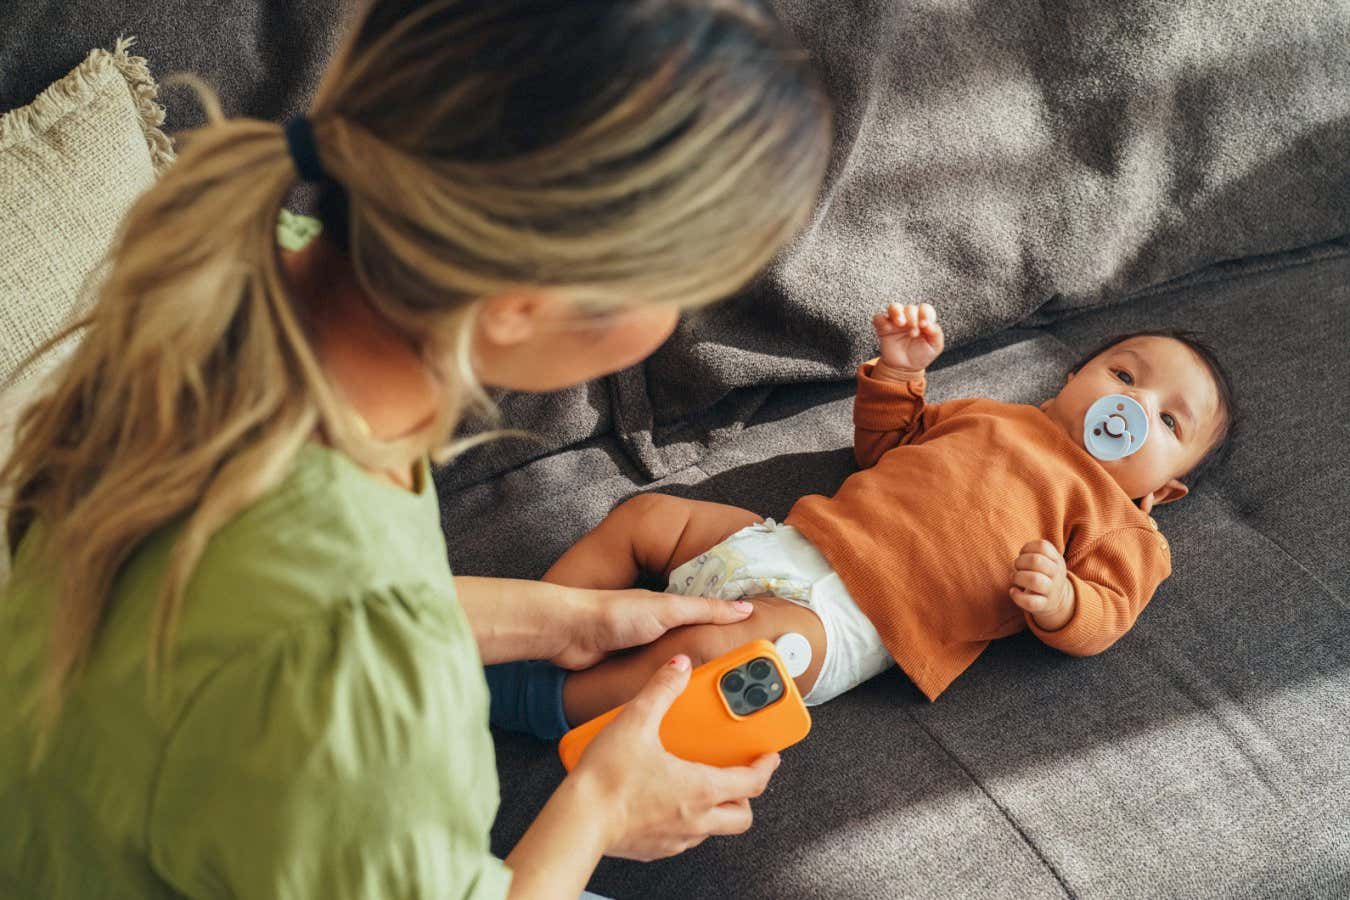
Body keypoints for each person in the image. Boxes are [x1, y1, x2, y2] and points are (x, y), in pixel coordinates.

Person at [0, 1, 831, 897]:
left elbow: (263, 610)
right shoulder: (356, 663)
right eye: (685, 288)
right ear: (517, 305)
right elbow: (320, 631)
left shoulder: (224, 276)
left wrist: (568, 619)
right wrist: (600, 805)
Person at [493, 304, 1236, 730]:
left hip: (848, 625)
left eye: (1170, 422)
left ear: (1165, 491)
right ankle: (555, 625)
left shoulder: (1124, 524)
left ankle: (542, 701)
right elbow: (886, 447)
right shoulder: (990, 415)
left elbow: (1107, 614)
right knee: (648, 515)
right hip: (786, 539)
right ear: (1073, 379)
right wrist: (899, 374)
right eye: (1124, 374)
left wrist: (1066, 601)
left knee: (719, 650)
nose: (1134, 406)